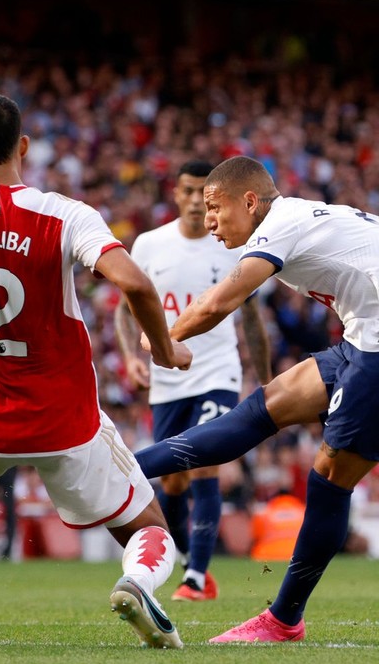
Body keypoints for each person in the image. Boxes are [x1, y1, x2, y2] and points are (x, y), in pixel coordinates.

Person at [0, 94, 194, 649]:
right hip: (66, 420)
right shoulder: (67, 214)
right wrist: (166, 349)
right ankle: (137, 581)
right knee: (150, 525)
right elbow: (136, 284)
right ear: (23, 147)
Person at [133, 156, 379, 643]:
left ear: (250, 201)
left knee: (328, 476)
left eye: (216, 207)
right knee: (266, 405)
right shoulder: (299, 218)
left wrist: (162, 338)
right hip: (369, 340)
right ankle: (125, 469)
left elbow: (220, 302)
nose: (210, 220)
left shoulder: (281, 224)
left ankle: (283, 619)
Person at [115, 159, 272, 602]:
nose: (193, 202)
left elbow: (253, 318)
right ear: (176, 194)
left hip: (217, 371)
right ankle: (188, 561)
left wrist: (267, 379)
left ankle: (197, 578)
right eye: (186, 191)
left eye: (203, 194)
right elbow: (124, 309)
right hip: (168, 380)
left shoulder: (233, 245)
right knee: (173, 482)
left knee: (206, 460)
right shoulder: (149, 244)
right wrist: (130, 357)